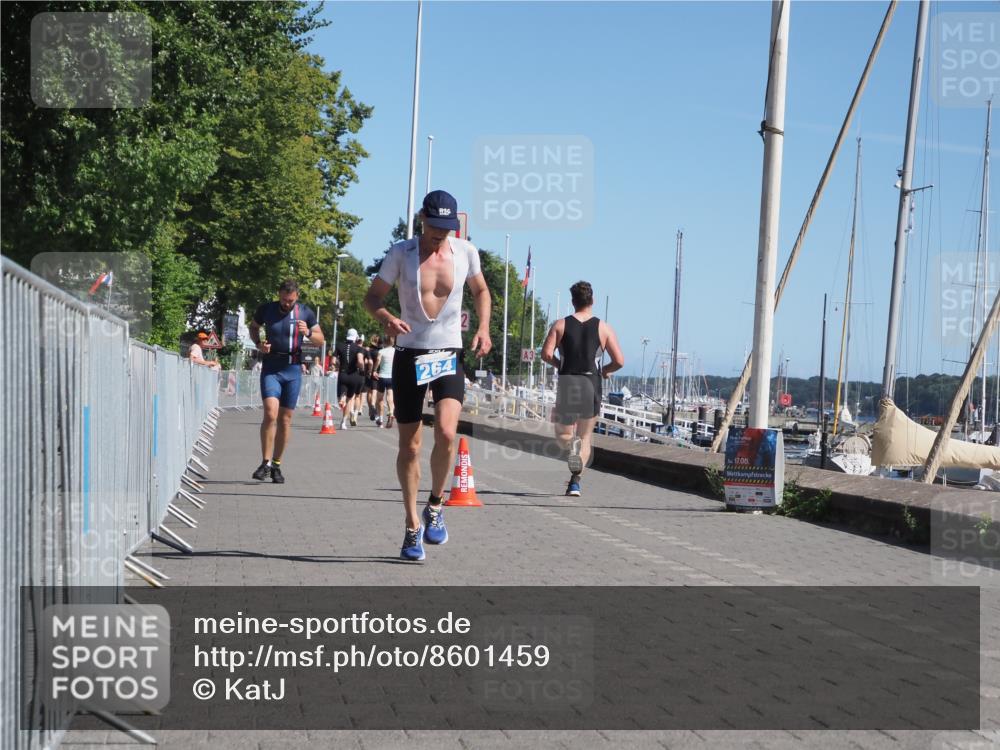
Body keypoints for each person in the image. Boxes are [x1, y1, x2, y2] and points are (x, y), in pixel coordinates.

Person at [365, 190, 492, 561]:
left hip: (448, 351)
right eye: (435, 228)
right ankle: (410, 527)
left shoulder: (465, 252)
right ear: (422, 219)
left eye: (447, 229)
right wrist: (386, 317)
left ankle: (435, 505)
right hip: (409, 353)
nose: (441, 235)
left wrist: (483, 327)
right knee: (410, 446)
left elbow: (481, 289)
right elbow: (372, 298)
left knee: (449, 432)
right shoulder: (400, 253)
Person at [541, 280, 624, 497]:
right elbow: (619, 361)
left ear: (572, 302)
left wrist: (560, 365)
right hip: (591, 383)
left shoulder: (560, 325)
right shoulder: (603, 328)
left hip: (568, 380)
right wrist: (605, 370)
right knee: (586, 437)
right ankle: (575, 483)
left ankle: (572, 446)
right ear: (592, 300)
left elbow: (546, 354)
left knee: (562, 433)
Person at [248, 279, 324, 483]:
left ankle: (277, 464)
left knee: (285, 420)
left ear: (296, 297)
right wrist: (258, 344)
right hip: (272, 367)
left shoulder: (305, 312)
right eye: (283, 299)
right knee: (270, 414)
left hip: (292, 368)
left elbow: (320, 339)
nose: (286, 304)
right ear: (278, 295)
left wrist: (307, 332)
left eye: (290, 301)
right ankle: (265, 463)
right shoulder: (267, 309)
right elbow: (253, 327)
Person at [335, 328, 366, 428]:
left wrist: (339, 365)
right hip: (354, 375)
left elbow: (333, 361)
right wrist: (361, 369)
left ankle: (341, 399)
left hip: (343, 374)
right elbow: (361, 361)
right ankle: (343, 422)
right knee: (350, 399)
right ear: (355, 337)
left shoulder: (339, 346)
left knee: (342, 397)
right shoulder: (358, 348)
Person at [373, 335, 396, 428]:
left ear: (384, 342)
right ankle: (391, 413)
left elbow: (378, 360)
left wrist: (374, 370)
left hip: (382, 376)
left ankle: (381, 419)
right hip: (392, 377)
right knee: (390, 396)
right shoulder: (395, 351)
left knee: (380, 399)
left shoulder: (381, 351)